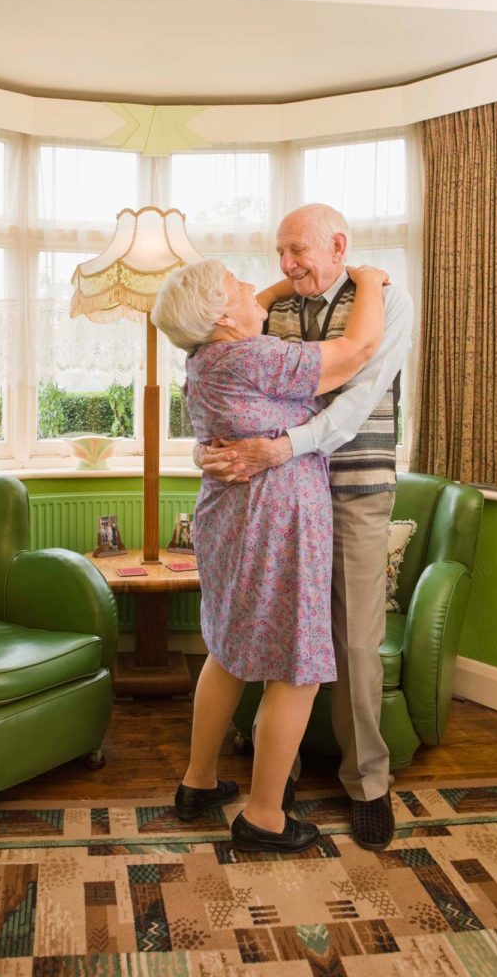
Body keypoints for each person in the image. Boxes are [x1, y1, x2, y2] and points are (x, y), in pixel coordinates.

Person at [197, 203, 414, 851]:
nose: (289, 264)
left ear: (338, 244)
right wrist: (210, 449)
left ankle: (367, 783)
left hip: (352, 487)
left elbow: (355, 398)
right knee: (279, 632)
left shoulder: (386, 301)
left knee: (353, 645)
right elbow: (229, 376)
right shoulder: (275, 306)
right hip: (283, 497)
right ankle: (277, 777)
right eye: (280, 253)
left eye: (299, 251)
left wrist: (285, 446)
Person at [151, 257, 387, 854]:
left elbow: (251, 300)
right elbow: (357, 350)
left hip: (229, 521)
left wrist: (289, 281)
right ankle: (262, 816)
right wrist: (367, 281)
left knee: (228, 653)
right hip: (275, 524)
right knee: (297, 667)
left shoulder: (203, 360)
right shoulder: (253, 354)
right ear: (223, 315)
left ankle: (197, 783)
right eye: (237, 283)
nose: (253, 287)